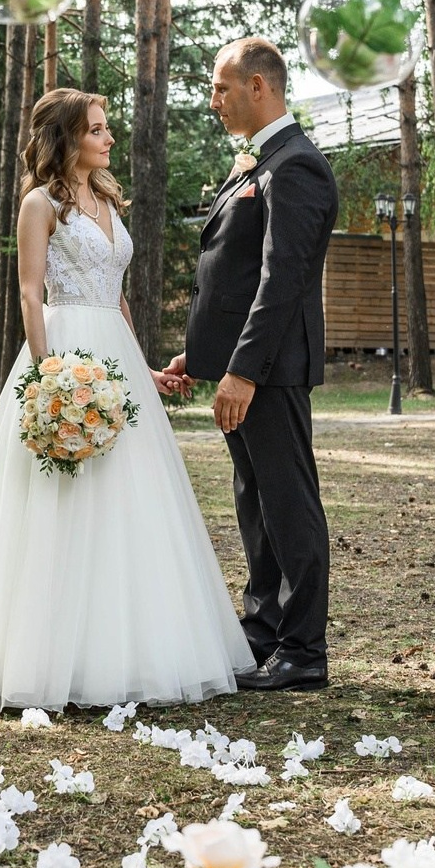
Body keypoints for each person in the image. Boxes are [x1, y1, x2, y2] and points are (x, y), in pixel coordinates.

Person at [0, 88, 255, 715]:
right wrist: (47, 377)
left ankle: (130, 650)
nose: (109, 138)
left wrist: (143, 370)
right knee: (57, 505)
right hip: (64, 352)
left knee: (129, 504)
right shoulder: (40, 204)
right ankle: (44, 658)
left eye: (107, 128)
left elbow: (115, 296)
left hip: (112, 354)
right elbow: (31, 293)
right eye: (97, 129)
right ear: (67, 138)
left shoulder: (107, 200)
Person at [165, 38, 340, 691]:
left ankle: (303, 647)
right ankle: (262, 629)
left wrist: (243, 371)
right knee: (255, 501)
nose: (213, 100)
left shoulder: (296, 167)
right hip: (244, 363)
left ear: (258, 86)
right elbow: (233, 275)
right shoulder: (259, 163)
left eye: (221, 87)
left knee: (288, 502)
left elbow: (281, 280)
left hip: (270, 369)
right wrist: (207, 354)